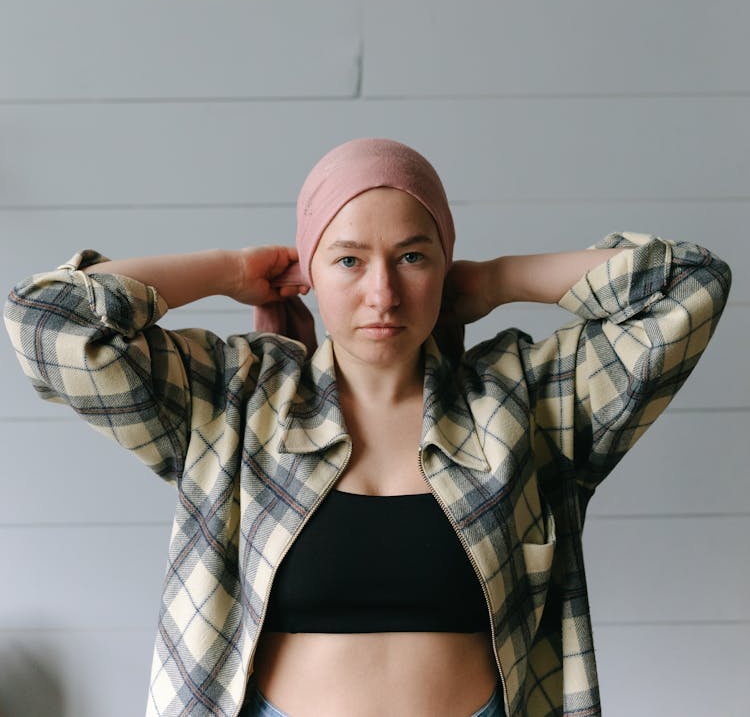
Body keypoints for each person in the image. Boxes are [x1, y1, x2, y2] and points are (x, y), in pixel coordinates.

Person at [3, 138, 731, 717]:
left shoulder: (528, 402)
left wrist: (496, 279)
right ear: (310, 270)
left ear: (444, 262)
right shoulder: (234, 400)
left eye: (413, 256)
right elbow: (47, 318)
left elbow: (688, 287)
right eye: (348, 258)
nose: (382, 291)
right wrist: (226, 270)